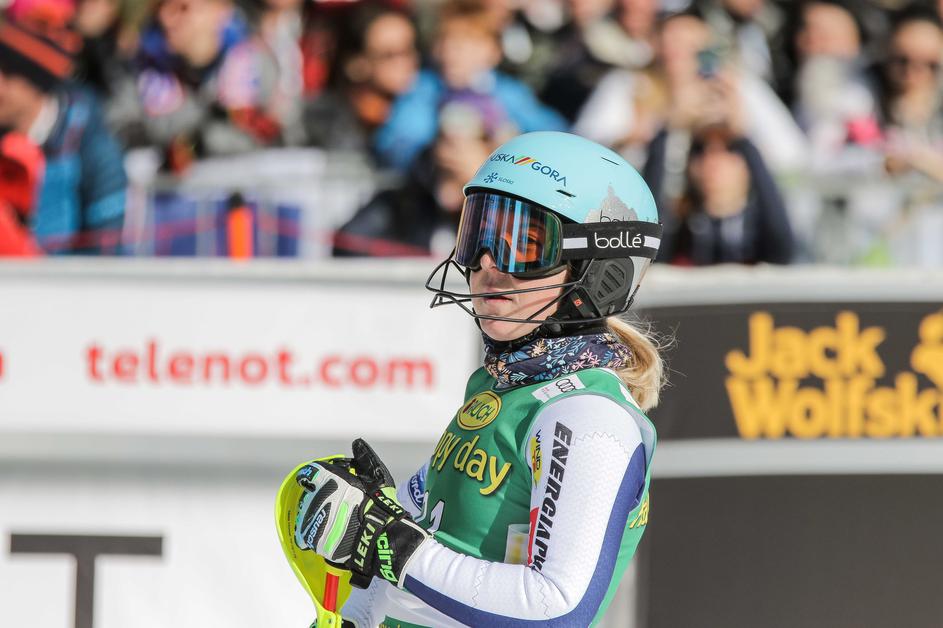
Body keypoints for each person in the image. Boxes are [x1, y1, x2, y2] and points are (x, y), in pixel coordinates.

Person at [282, 131, 665, 627]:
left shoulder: (590, 419)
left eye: (524, 245)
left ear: (597, 270)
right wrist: (366, 545)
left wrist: (386, 541)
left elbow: (557, 608)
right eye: (478, 234)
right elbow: (414, 550)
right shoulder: (499, 386)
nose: (486, 263)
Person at [374, 0, 566, 172]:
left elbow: (554, 135)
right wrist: (432, 152)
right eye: (445, 43)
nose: (451, 55)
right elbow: (395, 145)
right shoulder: (424, 89)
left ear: (493, 52)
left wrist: (511, 149)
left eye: (464, 45)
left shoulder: (508, 93)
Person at [0, 18, 127, 254]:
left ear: (34, 80)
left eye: (6, 74)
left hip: (71, 275)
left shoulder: (92, 147)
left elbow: (105, 245)